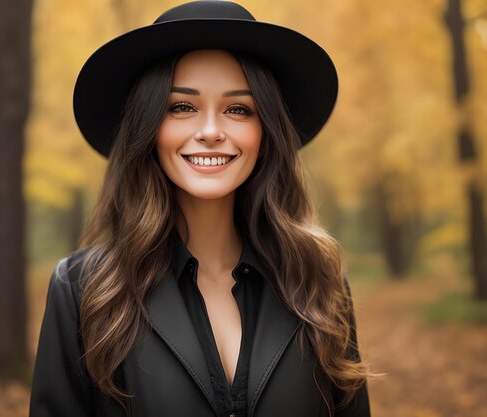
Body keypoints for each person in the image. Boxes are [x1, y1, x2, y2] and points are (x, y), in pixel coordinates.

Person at [29, 1, 372, 416]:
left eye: (238, 109)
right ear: (149, 127)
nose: (211, 131)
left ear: (266, 132)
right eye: (182, 107)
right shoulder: (83, 289)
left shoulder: (318, 280)